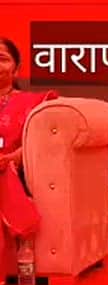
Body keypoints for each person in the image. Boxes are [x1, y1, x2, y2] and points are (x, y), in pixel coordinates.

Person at [0, 38, 58, 267]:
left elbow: (43, 139)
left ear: (17, 68)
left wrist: (14, 158)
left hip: (14, 171)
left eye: (2, 59)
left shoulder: (34, 103)